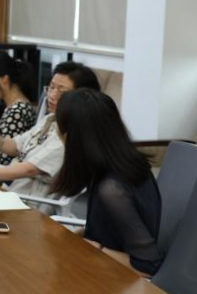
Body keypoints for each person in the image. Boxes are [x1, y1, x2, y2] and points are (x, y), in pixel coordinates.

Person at [52, 88, 163, 275]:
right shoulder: (119, 165)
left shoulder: (112, 189)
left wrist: (96, 248)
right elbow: (112, 230)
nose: (56, 132)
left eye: (58, 126)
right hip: (102, 270)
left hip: (114, 282)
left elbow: (149, 266)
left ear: (71, 137)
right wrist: (78, 235)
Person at [0, 61, 100, 202]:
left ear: (80, 98)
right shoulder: (50, 119)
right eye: (51, 87)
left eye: (61, 91)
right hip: (12, 193)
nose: (52, 95)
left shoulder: (68, 136)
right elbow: (18, 146)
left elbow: (30, 170)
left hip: (30, 203)